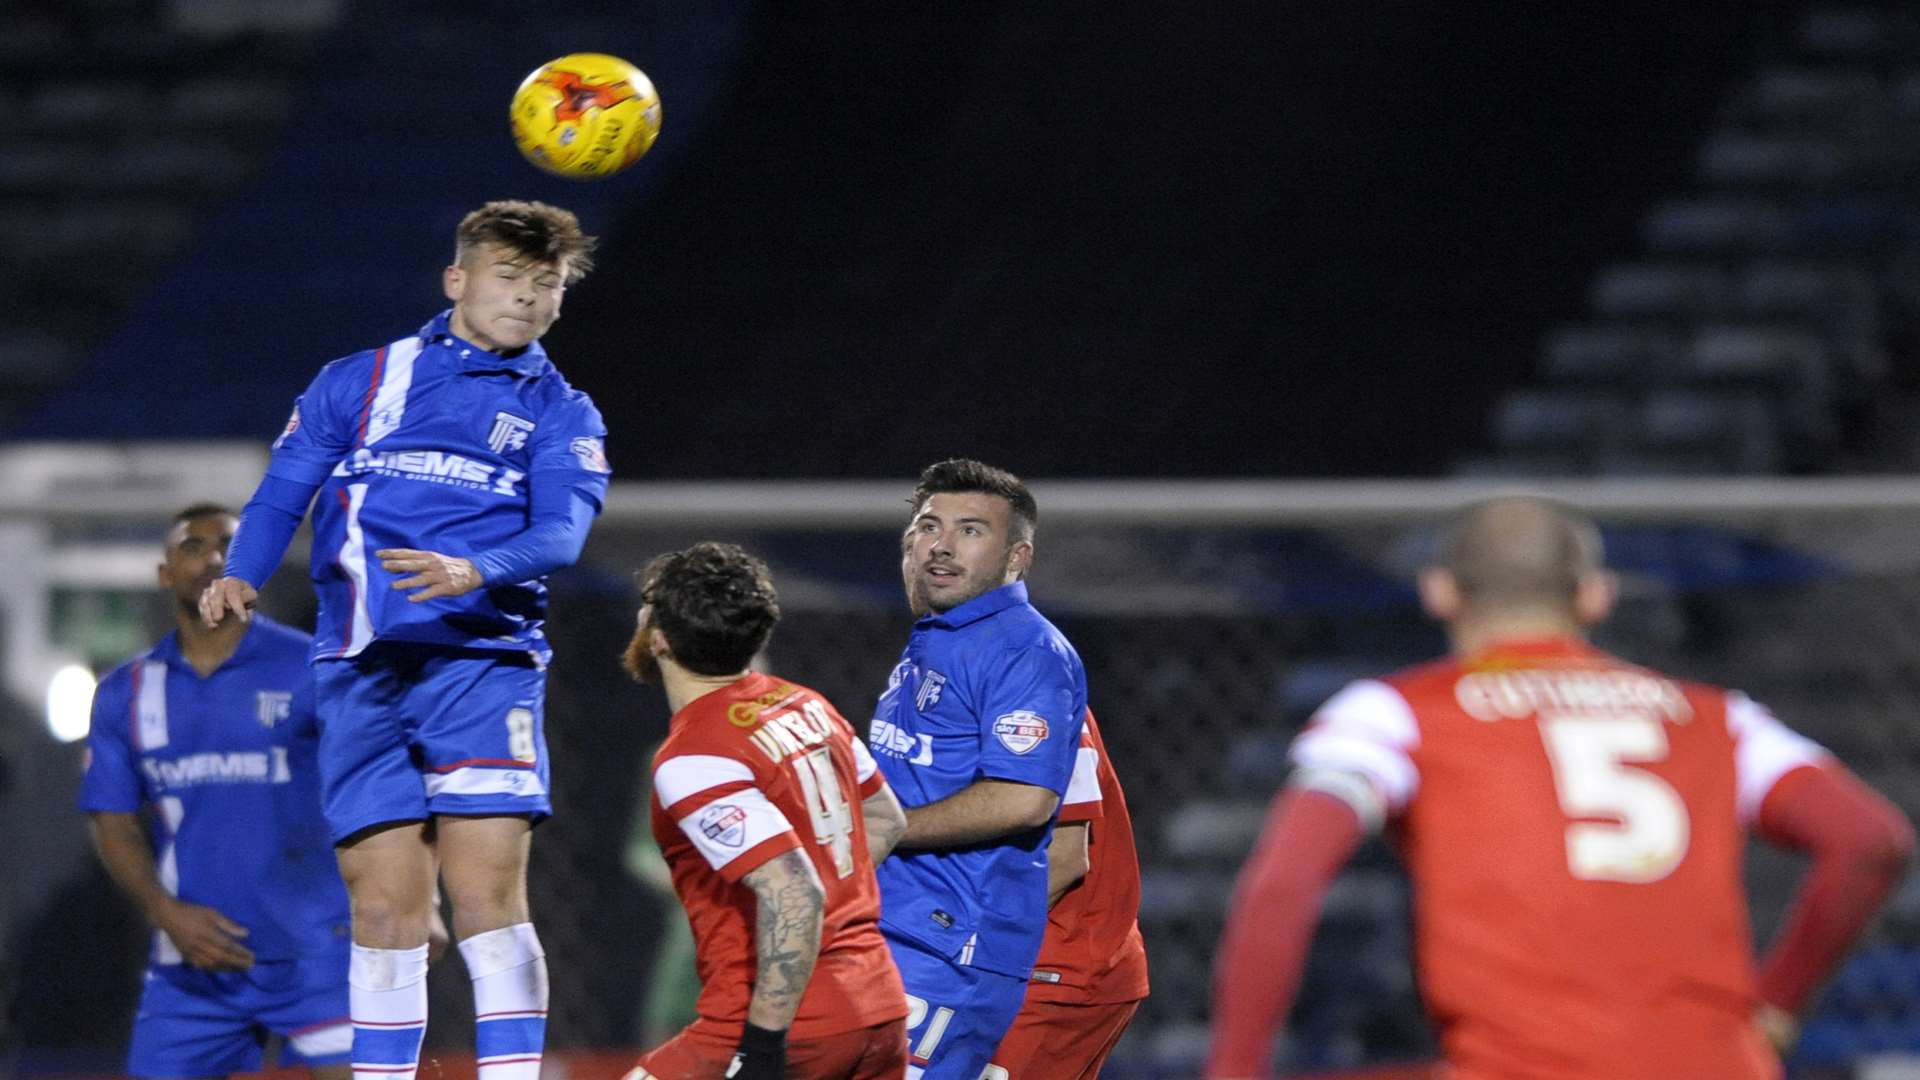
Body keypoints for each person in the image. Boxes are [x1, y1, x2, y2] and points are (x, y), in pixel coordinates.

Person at [1207, 496, 1916, 1080]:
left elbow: (1282, 885)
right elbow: (1871, 841)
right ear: (1596, 595)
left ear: (1441, 591)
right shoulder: (1721, 720)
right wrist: (1778, 1007)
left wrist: (1235, 1071)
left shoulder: (1397, 714)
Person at [199, 200, 610, 1079]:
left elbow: (564, 538)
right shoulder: (362, 379)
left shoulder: (562, 412)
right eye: (512, 280)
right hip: (358, 667)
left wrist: (475, 569)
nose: (530, 301)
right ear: (457, 280)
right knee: (383, 914)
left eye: (549, 287)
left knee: (486, 900)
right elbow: (281, 497)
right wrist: (239, 569)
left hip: (483, 666)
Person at [620, 541, 911, 1079]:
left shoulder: (694, 755)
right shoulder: (807, 704)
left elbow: (796, 891)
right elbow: (885, 818)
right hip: (880, 1009)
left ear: (658, 640)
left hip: (782, 1025)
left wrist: (763, 1044)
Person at [80, 504, 352, 1078]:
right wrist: (164, 911)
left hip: (319, 955)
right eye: (193, 546)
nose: (212, 558)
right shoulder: (125, 692)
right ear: (164, 574)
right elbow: (112, 818)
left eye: (229, 544)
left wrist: (411, 902)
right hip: (194, 967)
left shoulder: (312, 666)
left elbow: (375, 783)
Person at [872, 458, 1090, 1080]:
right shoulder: (940, 636)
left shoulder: (1025, 651)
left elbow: (1025, 799)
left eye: (970, 530)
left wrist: (886, 828)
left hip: (949, 946)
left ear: (1017, 558)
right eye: (928, 526)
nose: (940, 545)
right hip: (896, 927)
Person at [985, 707, 1149, 1080]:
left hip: (1050, 964)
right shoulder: (923, 681)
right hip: (1023, 959)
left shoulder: (1034, 693)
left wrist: (963, 951)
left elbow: (1064, 860)